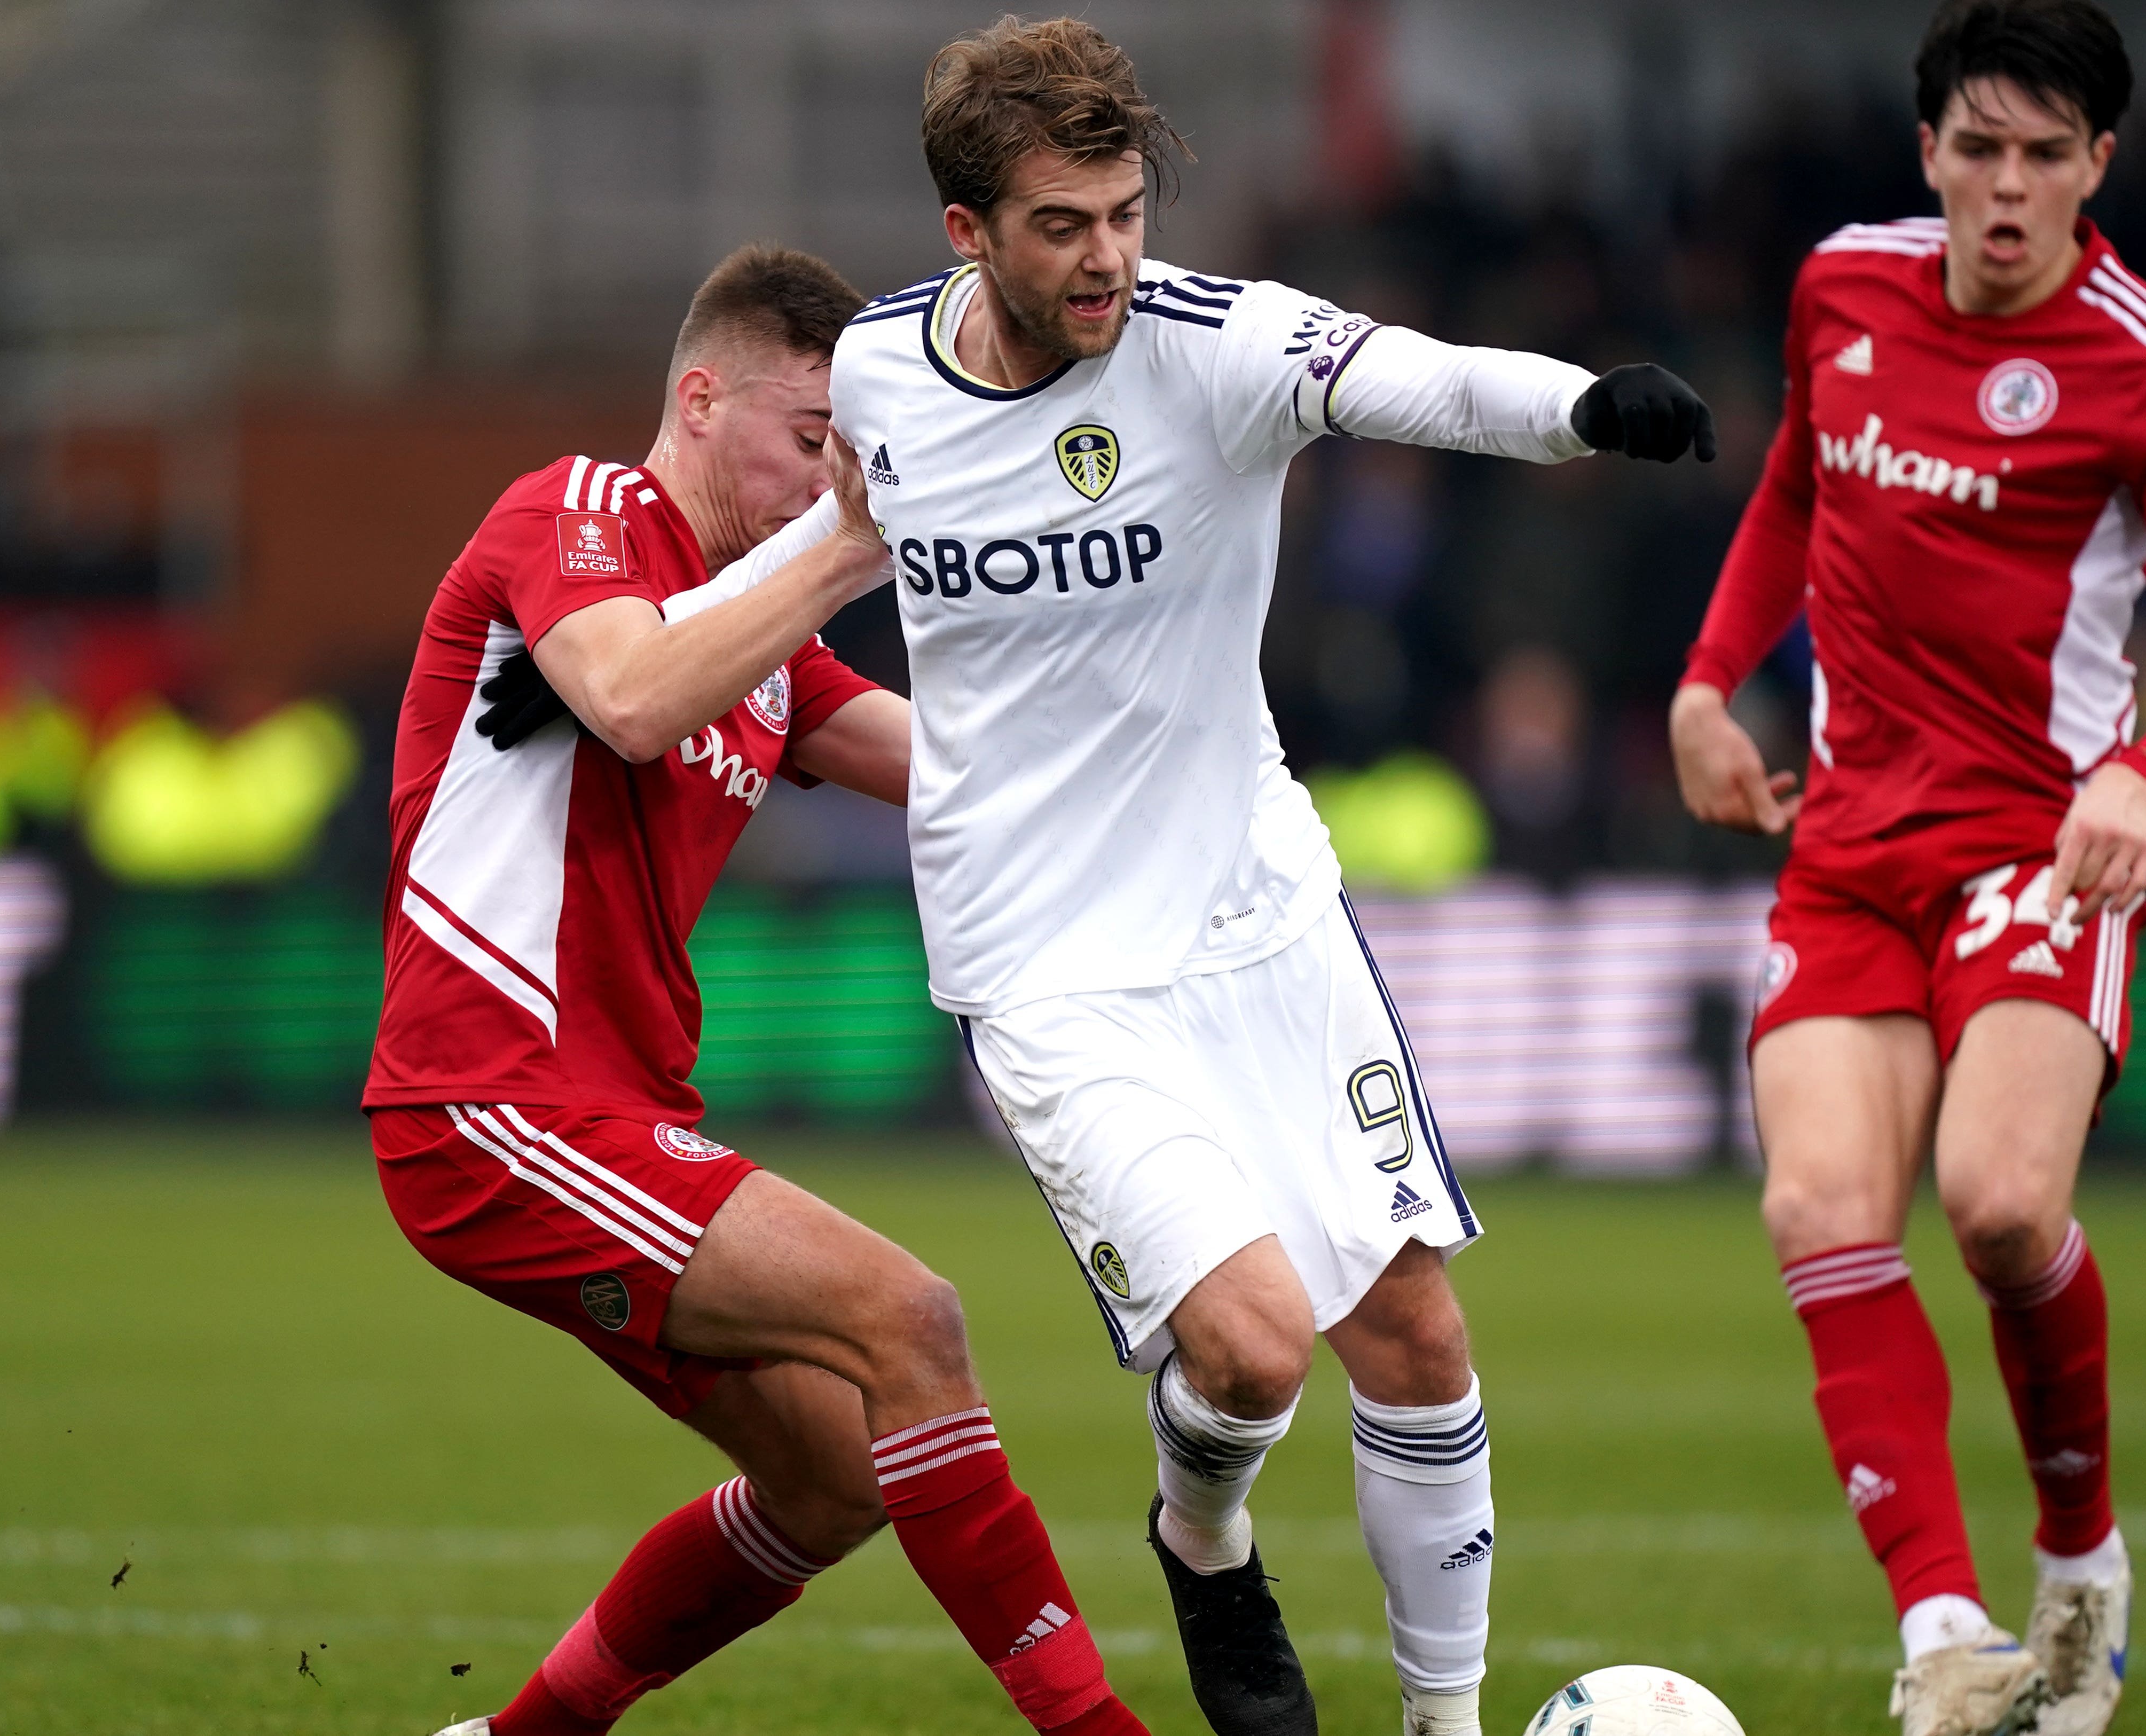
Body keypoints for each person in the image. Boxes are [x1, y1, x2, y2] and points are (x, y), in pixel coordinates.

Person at [632, 19, 1712, 1736]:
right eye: (1062, 224)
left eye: (1125, 213)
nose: (1108, 258)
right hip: (1051, 974)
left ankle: (1447, 1724)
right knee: (1256, 1347)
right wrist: (612, 662)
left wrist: (1579, 410)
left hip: (1259, 917)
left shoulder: (1215, 341)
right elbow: (789, 554)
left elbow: (1411, 375)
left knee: (1419, 1340)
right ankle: (1201, 1530)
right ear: (966, 233)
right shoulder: (888, 378)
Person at [364, 242, 1153, 1736]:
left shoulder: (763, 642)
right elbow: (634, 692)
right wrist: (847, 548)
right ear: (702, 396)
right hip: (497, 1096)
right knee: (910, 1316)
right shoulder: (581, 511)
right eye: (810, 441)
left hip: (599, 1117)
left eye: (849, 454)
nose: (827, 478)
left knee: (837, 1473)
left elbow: (971, 779)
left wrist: (1165, 737)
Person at [1667, 4, 2146, 1734]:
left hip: (2037, 848)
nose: (2005, 189)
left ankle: (2078, 1559)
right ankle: (1943, 1634)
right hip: (1847, 847)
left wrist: (2142, 778)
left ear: (2099, 166)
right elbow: (1794, 485)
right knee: (1816, 1208)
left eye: (2043, 155)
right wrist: (1712, 683)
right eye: (1977, 150)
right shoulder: (1839, 287)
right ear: (1927, 150)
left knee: (2001, 1210)